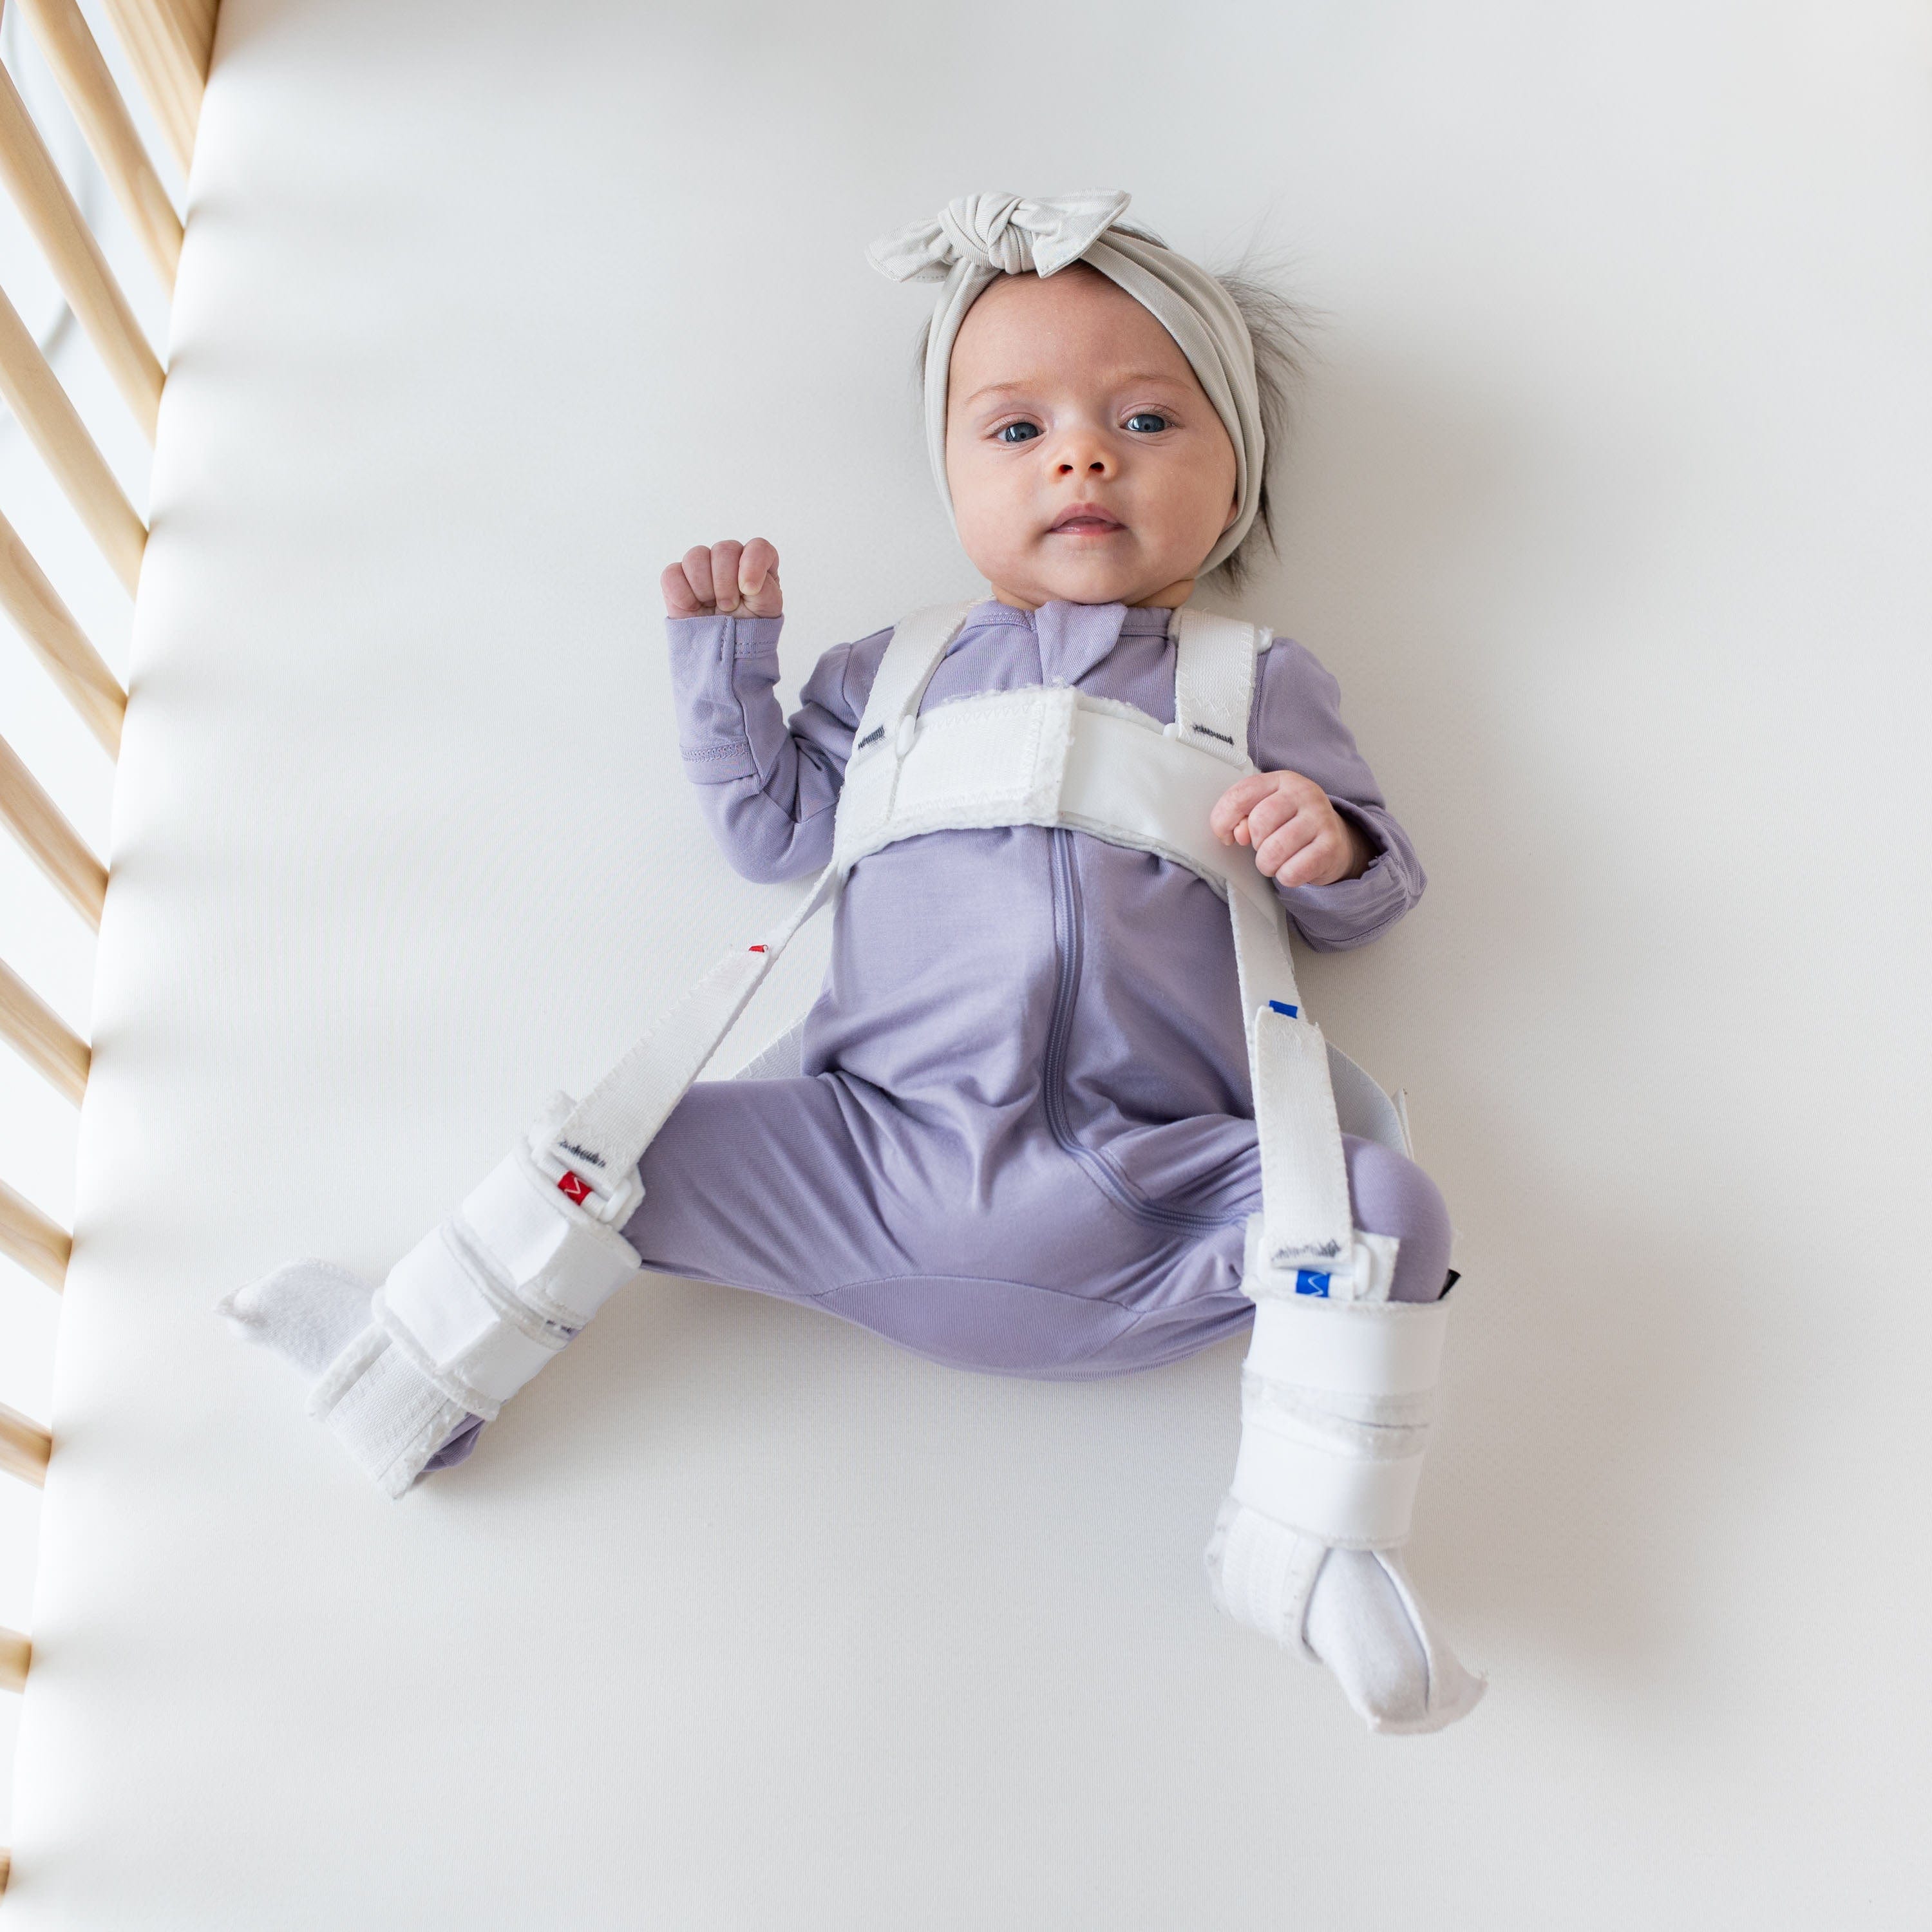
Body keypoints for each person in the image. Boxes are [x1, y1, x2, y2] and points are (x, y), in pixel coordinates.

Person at [222, 191, 1482, 1734]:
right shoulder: (892, 672)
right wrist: (724, 675)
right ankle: (410, 1377)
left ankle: (1311, 1539)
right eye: (1017, 430)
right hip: (866, 1159)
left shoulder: (1254, 679)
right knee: (608, 1145)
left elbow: (1372, 896)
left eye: (1147, 420)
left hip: (1146, 1189)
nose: (1083, 458)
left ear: (1238, 475)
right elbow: (773, 831)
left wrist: (1324, 845)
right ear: (951, 476)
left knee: (1385, 1203)